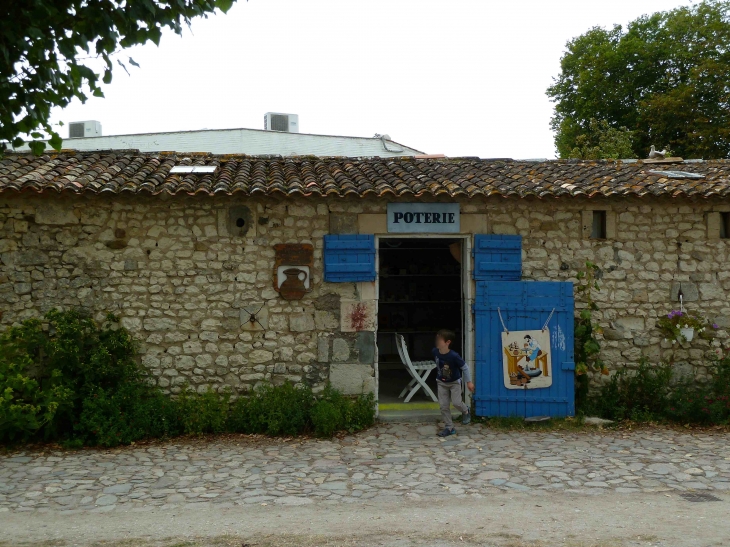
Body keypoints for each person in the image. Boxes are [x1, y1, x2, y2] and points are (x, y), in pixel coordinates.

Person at [432, 329, 474, 437]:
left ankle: (466, 410)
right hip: (441, 382)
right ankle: (449, 427)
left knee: (456, 403)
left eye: (440, 340)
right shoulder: (435, 352)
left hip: (454, 382)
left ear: (447, 342)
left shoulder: (454, 356)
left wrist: (468, 382)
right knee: (443, 405)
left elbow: (464, 367)